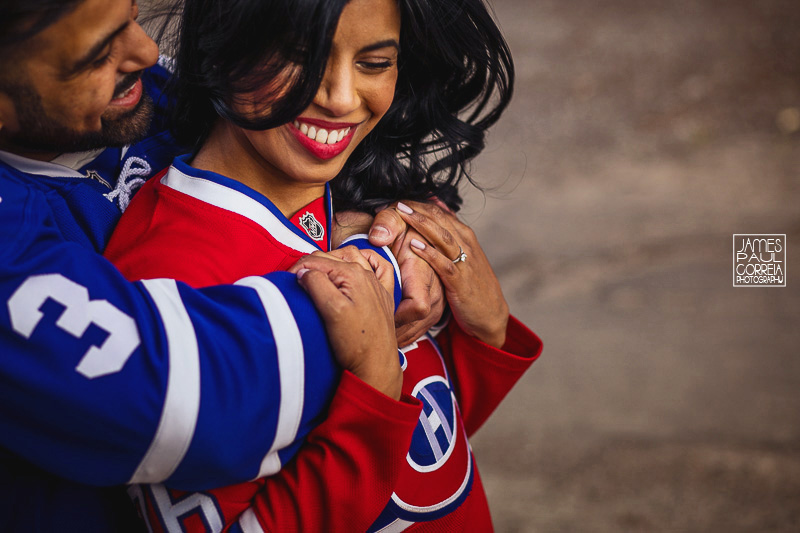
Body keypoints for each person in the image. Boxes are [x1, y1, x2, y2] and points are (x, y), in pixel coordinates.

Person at [0, 0, 445, 530]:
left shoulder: (145, 94)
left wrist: (391, 221)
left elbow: (436, 467)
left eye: (131, 18)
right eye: (97, 53)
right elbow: (185, 401)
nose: (146, 51)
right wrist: (380, 270)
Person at [105, 0, 542, 530]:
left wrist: (486, 332)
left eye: (375, 63)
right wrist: (374, 389)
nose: (339, 98)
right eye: (298, 58)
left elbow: (427, 469)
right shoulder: (168, 279)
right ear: (223, 44)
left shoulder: (360, 194)